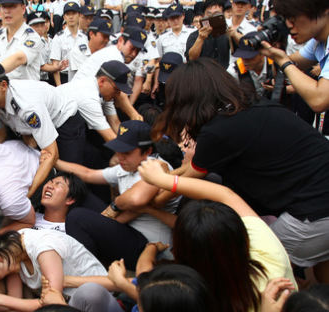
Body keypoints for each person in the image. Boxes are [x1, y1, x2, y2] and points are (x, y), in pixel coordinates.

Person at [152, 58, 329, 284]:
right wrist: (165, 178)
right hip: (319, 199)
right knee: (322, 266)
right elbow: (192, 168)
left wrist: (152, 196)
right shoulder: (248, 106)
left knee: (253, 271)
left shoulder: (218, 131)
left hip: (314, 211)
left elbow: (191, 178)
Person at [139, 159, 297, 312]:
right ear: (241, 232)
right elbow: (226, 195)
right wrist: (163, 179)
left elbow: (149, 289)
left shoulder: (192, 299)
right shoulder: (268, 252)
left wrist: (149, 249)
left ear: (182, 250)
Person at [57, 120, 180, 269]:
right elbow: (88, 174)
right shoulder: (128, 166)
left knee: (77, 217)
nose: (120, 157)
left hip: (148, 245)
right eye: (118, 151)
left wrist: (110, 211)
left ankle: (90, 272)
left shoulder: (158, 168)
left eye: (127, 153)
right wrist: (53, 161)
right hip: (128, 230)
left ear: (147, 152)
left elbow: (136, 200)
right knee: (80, 195)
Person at [0, 61, 83, 194]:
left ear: (3, 85)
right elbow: (1, 135)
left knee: (69, 180)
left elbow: (52, 154)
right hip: (33, 128)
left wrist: (27, 194)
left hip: (64, 121)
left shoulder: (27, 107)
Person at [0, 229, 109, 311]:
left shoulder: (43, 249)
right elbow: (13, 304)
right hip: (65, 302)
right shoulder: (12, 255)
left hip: (93, 301)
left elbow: (53, 304)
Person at [259, 0, 329, 113]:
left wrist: (282, 60)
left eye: (293, 16)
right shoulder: (318, 41)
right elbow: (293, 62)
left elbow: (319, 100)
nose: (289, 25)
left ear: (324, 9)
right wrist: (275, 44)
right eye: (285, 17)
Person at [73, 26, 148, 122]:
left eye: (137, 51)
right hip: (79, 104)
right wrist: (134, 114)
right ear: (120, 41)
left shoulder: (113, 53)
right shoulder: (115, 57)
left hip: (88, 102)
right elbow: (121, 95)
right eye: (132, 48)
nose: (134, 54)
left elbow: (111, 103)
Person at [0, 0, 43, 80]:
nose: (7, 11)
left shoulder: (32, 37)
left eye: (12, 6)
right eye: (3, 6)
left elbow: (19, 59)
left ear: (23, 9)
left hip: (23, 91)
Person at [186, 0, 231, 69]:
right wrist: (200, 39)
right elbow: (191, 59)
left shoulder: (229, 33)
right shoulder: (194, 35)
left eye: (216, 14)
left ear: (223, 14)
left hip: (223, 75)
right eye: (209, 14)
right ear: (203, 15)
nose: (212, 17)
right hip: (202, 75)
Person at [50, 2, 86, 85]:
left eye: (74, 13)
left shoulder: (85, 37)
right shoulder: (58, 38)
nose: (71, 17)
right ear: (64, 17)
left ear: (79, 15)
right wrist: (60, 88)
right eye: (68, 14)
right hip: (65, 79)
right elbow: (55, 66)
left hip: (83, 78)